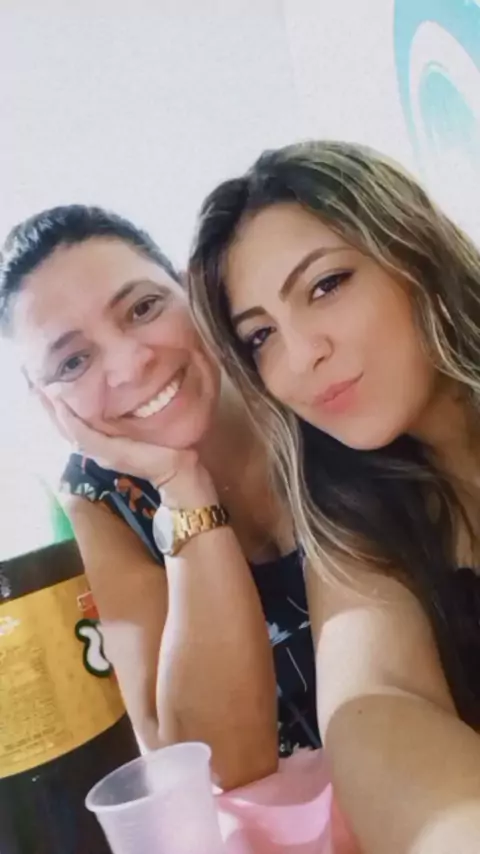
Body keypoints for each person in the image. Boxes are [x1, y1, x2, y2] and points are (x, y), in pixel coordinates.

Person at [188, 140, 480, 852]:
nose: (300, 355)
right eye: (260, 335)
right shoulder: (346, 512)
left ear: (411, 250)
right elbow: (375, 701)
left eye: (325, 285)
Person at [0, 205, 320, 792]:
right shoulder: (98, 503)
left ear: (187, 288)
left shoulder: (299, 370)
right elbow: (218, 764)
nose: (129, 365)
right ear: (46, 400)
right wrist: (181, 485)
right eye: (73, 361)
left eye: (143, 308)